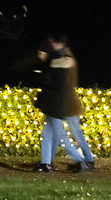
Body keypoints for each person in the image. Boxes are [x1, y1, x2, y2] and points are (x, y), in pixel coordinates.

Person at [34, 33, 96, 173]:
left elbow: (58, 83)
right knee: (52, 133)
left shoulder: (62, 59)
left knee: (61, 135)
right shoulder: (63, 58)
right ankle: (46, 162)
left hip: (61, 104)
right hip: (59, 104)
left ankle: (82, 161)